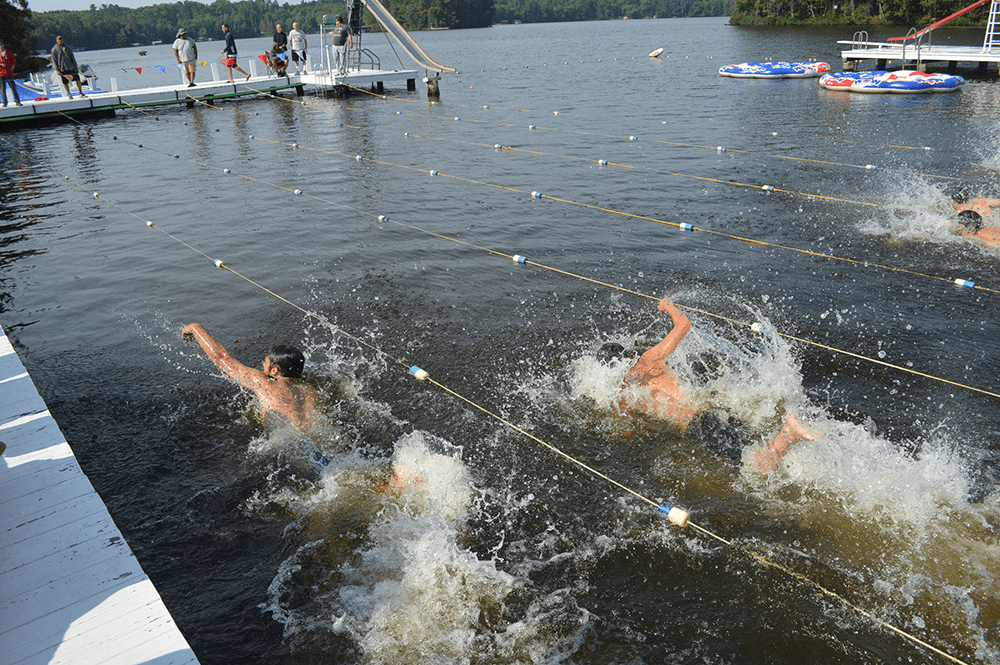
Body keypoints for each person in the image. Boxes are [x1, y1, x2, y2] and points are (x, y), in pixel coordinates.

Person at [611, 298, 817, 474]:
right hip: (711, 412)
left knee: (756, 468)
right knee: (759, 448)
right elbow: (684, 325)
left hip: (698, 426)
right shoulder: (649, 358)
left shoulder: (621, 392)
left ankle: (790, 433)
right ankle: (793, 433)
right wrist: (669, 306)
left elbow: (626, 432)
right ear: (629, 355)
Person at [182, 323, 317, 432]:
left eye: (266, 362)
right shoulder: (310, 392)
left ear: (275, 370)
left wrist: (195, 328)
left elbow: (222, 358)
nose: (263, 365)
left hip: (289, 448)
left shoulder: (264, 382)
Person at [0, 40, 22, 108]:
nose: (0, 47)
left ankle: (17, 101)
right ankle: (4, 102)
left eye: (1, 46)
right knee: (2, 89)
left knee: (13, 88)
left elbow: (14, 62)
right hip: (1, 74)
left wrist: (11, 69)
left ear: (3, 46)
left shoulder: (8, 52)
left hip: (9, 73)